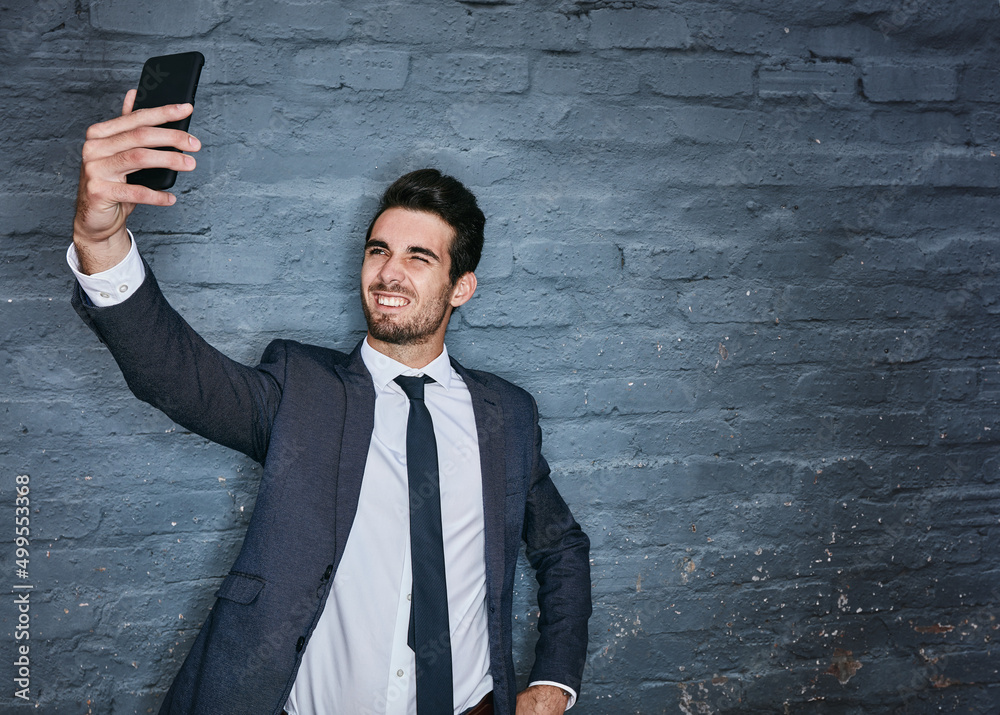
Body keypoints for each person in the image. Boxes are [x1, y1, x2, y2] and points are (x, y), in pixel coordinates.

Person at [68, 92, 591, 715]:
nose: (389, 274)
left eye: (418, 258)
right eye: (379, 251)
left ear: (462, 287)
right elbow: (177, 377)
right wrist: (100, 241)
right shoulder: (300, 388)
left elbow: (561, 548)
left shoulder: (508, 415)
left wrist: (556, 680)